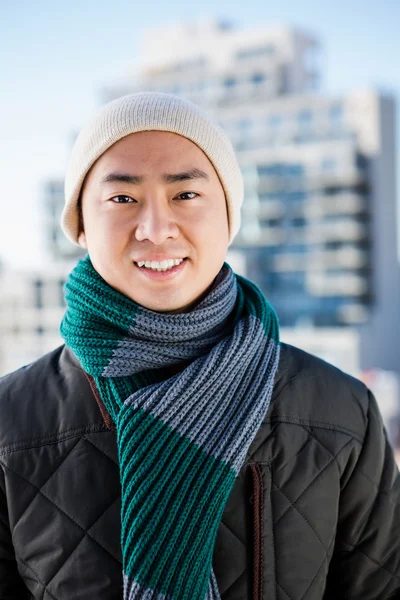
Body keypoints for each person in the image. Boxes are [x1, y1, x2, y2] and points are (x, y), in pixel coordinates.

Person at [0, 92, 399, 600]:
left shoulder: (340, 411)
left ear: (230, 217)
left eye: (185, 195)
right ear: (80, 224)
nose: (156, 229)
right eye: (122, 199)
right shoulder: (10, 421)